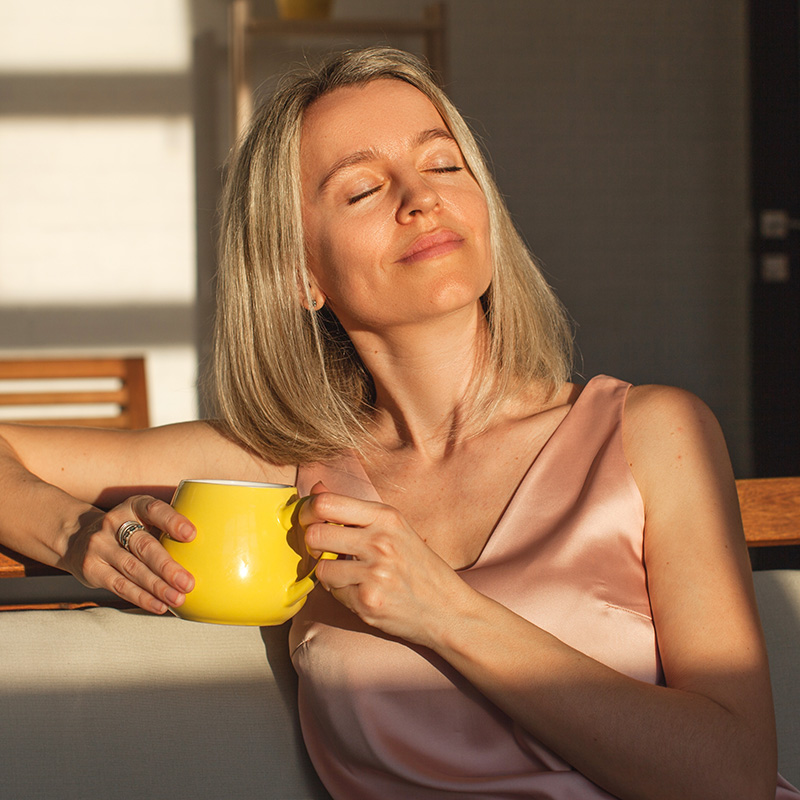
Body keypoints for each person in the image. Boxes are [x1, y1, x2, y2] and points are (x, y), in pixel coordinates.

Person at [0, 46, 796, 800]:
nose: (423, 200)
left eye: (443, 163)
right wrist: (74, 532)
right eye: (362, 189)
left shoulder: (653, 433)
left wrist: (442, 609)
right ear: (300, 273)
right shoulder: (288, 475)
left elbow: (730, 777)